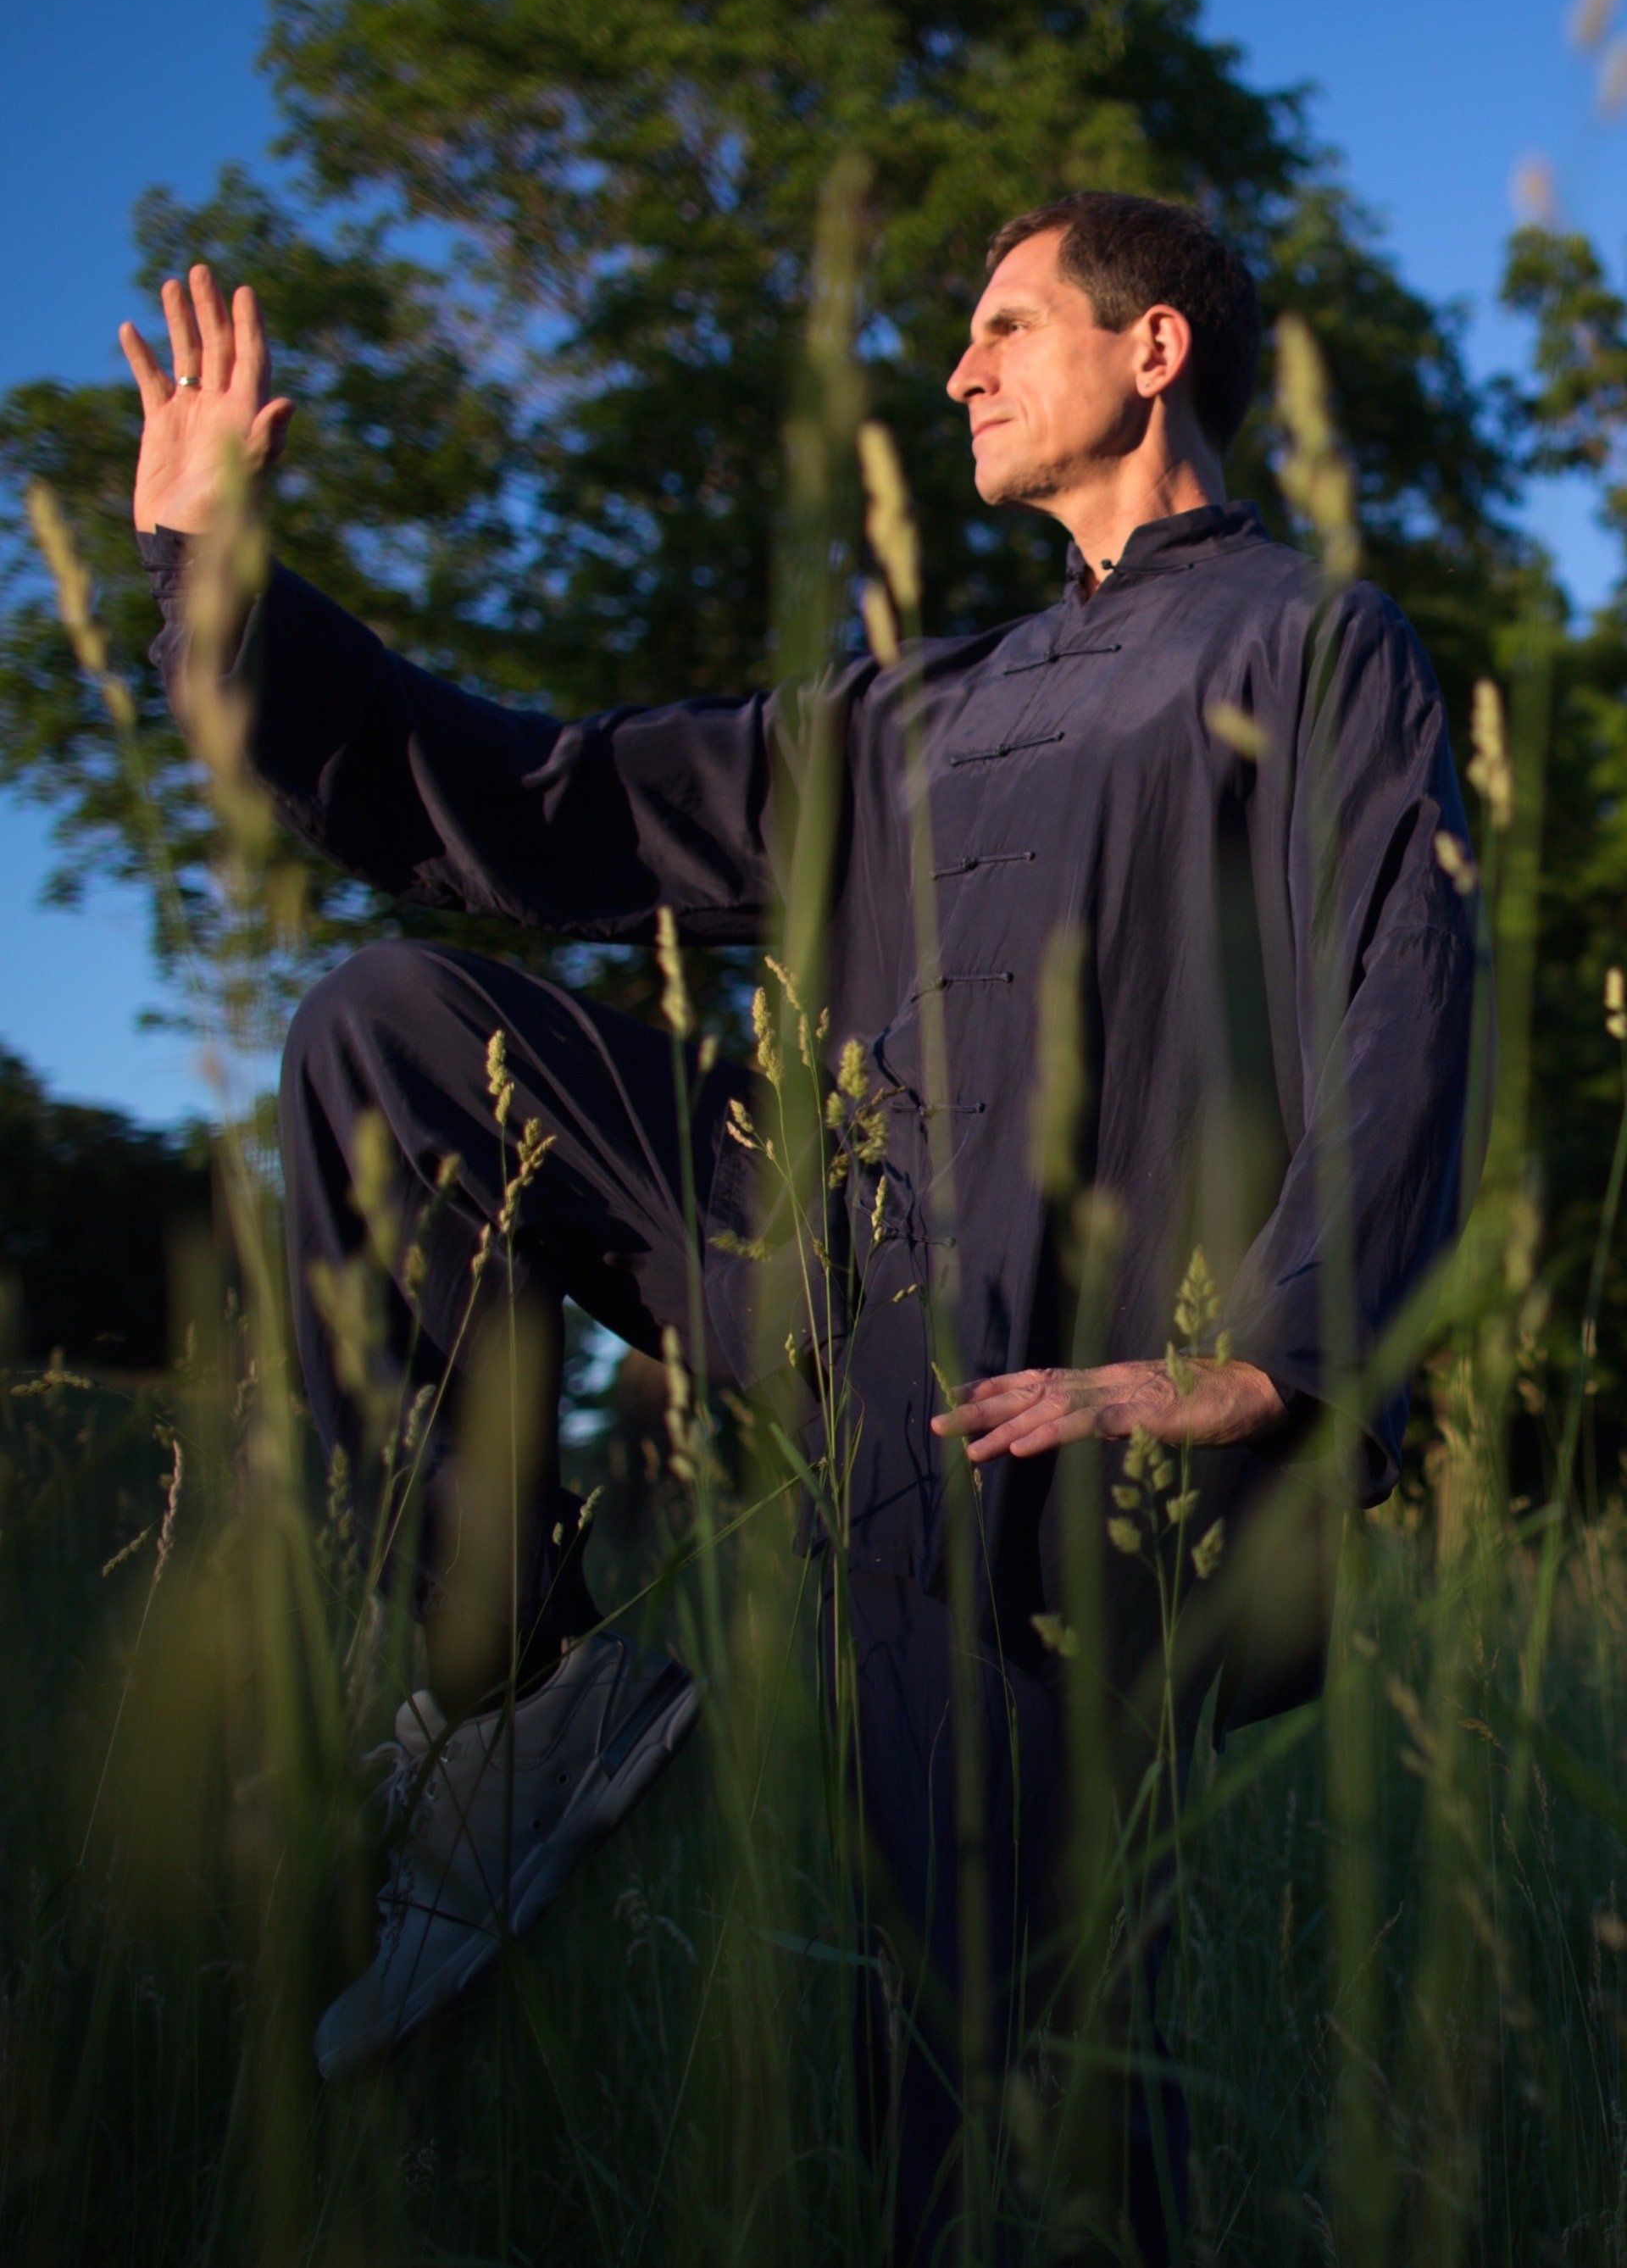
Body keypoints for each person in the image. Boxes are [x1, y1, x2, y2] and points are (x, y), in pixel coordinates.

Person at [120, 191, 1483, 2262]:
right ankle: (510, 1699)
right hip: (827, 1281)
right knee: (391, 1027)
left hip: (1052, 1419)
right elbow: (534, 801)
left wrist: (1278, 1356)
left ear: (1156, 351)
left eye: (1007, 323)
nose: (957, 369)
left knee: (999, 2080)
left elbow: (1401, 989)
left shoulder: (1310, 645)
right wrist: (219, 581)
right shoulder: (906, 709)